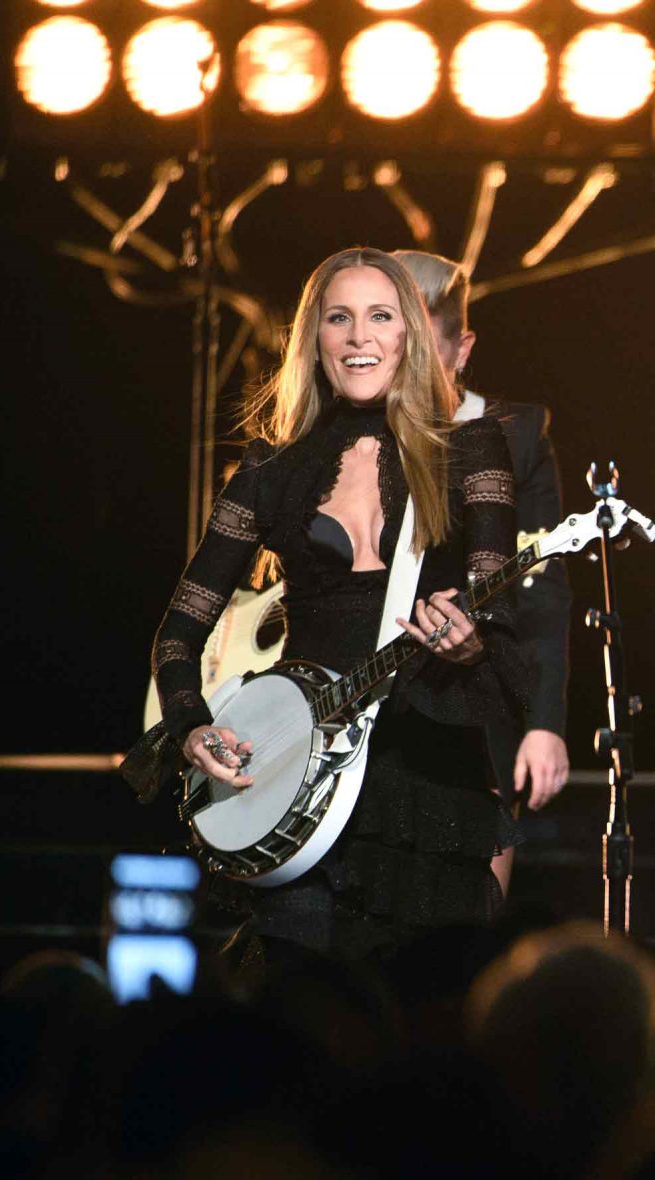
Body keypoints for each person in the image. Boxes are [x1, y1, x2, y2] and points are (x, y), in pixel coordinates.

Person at [125, 248, 526, 962]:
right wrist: (190, 727)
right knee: (298, 1017)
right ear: (315, 337)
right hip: (297, 781)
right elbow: (179, 634)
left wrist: (471, 642)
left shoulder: (471, 449)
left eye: (381, 316)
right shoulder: (272, 467)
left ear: (410, 334)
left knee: (421, 1021)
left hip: (426, 784)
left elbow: (496, 610)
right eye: (338, 318)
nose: (358, 336)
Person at [394, 250, 571, 894]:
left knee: (470, 913)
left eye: (423, 351)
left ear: (461, 349)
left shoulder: (515, 435)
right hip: (364, 708)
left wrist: (545, 722)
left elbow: (543, 589)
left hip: (474, 704)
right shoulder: (347, 431)